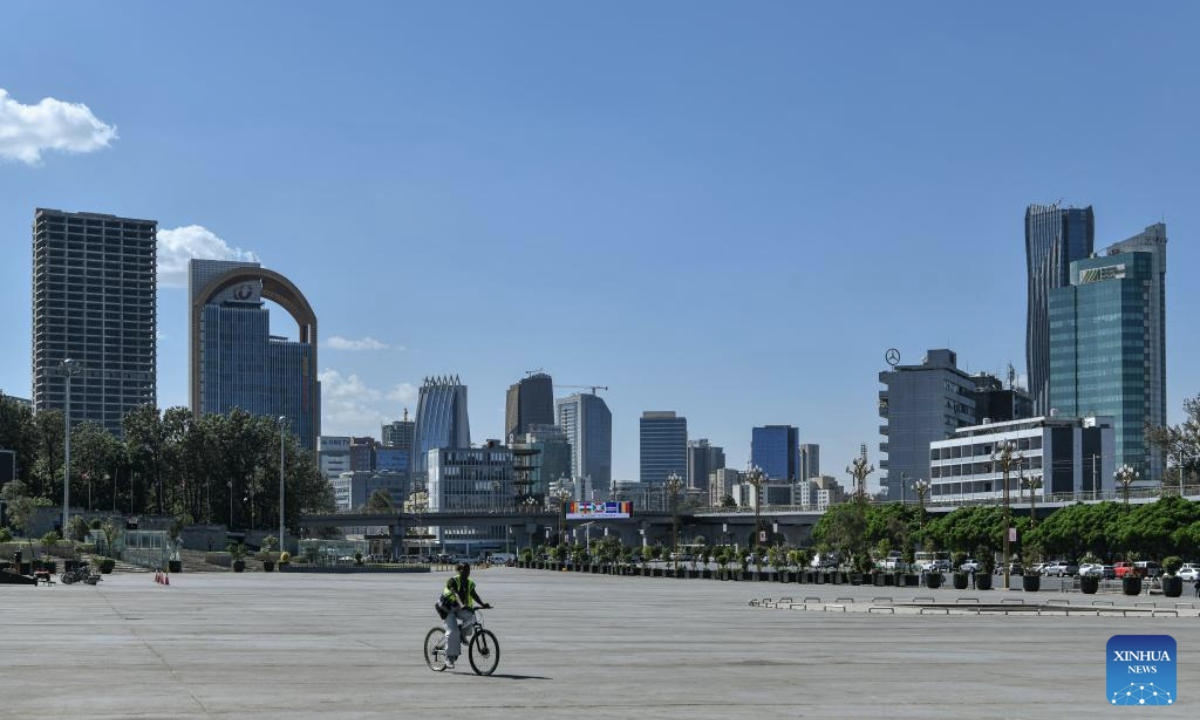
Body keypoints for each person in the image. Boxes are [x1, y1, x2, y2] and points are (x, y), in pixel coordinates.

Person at [439, 562, 489, 669]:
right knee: (453, 631)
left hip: (457, 607)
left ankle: (462, 635)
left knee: (471, 617)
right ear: (460, 570)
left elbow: (474, 594)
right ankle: (449, 658)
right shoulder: (453, 580)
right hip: (446, 608)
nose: (467, 572)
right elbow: (455, 594)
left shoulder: (468, 582)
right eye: (465, 570)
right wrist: (462, 604)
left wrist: (483, 604)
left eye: (469, 570)